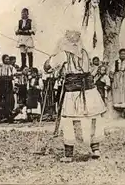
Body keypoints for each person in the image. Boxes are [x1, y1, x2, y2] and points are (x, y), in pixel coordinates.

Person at [44, 30, 107, 163]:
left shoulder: (62, 55)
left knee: (69, 121)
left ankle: (69, 154)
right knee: (92, 118)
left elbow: (47, 68)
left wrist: (51, 57)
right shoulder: (85, 52)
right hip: (90, 90)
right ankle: (95, 149)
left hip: (73, 92)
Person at [0, 54, 15, 122]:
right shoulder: (0, 67)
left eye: (8, 59)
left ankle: (9, 115)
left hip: (9, 83)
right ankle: (1, 116)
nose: (7, 60)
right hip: (2, 83)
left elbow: (14, 75)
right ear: (3, 60)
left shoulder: (11, 67)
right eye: (6, 59)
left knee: (9, 99)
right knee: (1, 99)